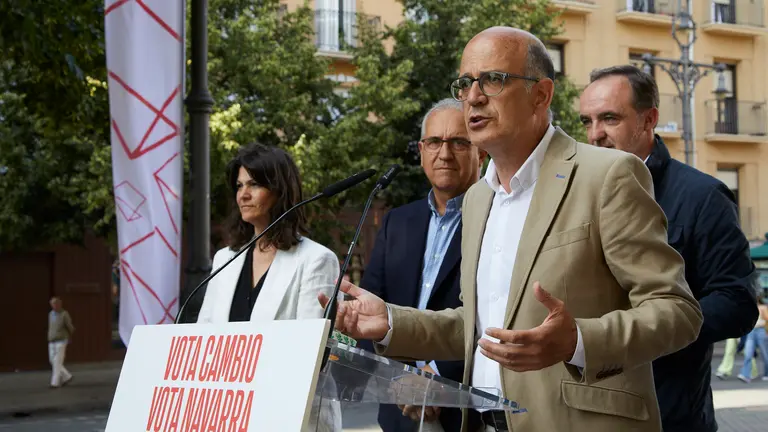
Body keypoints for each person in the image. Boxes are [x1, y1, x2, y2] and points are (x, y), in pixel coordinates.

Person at [319, 26, 702, 432]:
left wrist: (578, 342)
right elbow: (478, 326)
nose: (473, 96)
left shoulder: (608, 174)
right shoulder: (478, 199)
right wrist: (392, 322)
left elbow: (677, 311)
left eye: (493, 80)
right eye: (465, 83)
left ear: (542, 94)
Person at [578, 65, 758, 432]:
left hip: (665, 416)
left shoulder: (703, 196)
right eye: (587, 121)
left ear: (649, 120)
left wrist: (647, 329)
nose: (595, 134)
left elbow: (737, 303)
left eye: (610, 118)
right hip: (583, 412)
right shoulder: (575, 194)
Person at [360, 98, 486, 432]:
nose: (444, 154)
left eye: (459, 142)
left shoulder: (498, 219)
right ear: (421, 150)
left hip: (467, 410)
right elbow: (372, 304)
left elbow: (494, 316)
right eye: (434, 142)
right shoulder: (397, 222)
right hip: (398, 408)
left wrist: (437, 378)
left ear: (482, 153)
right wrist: (398, 378)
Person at [197, 143, 342, 432]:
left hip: (289, 414)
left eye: (254, 184)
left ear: (279, 191)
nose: (243, 195)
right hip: (229, 413)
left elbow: (308, 353)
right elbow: (206, 337)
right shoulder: (225, 258)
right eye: (239, 186)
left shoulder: (316, 259)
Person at [737, 294, 768, 382]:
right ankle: (745, 375)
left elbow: (767, 319)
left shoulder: (762, 307)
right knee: (748, 353)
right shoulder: (748, 308)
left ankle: (767, 373)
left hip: (761, 331)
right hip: (751, 332)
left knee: (765, 354)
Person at [48, 297, 75, 388]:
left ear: (59, 304)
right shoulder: (51, 314)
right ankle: (67, 376)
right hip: (52, 340)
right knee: (52, 360)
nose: (54, 306)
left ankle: (54, 383)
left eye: (55, 304)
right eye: (52, 304)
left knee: (57, 361)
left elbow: (70, 326)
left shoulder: (64, 314)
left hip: (61, 340)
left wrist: (69, 336)